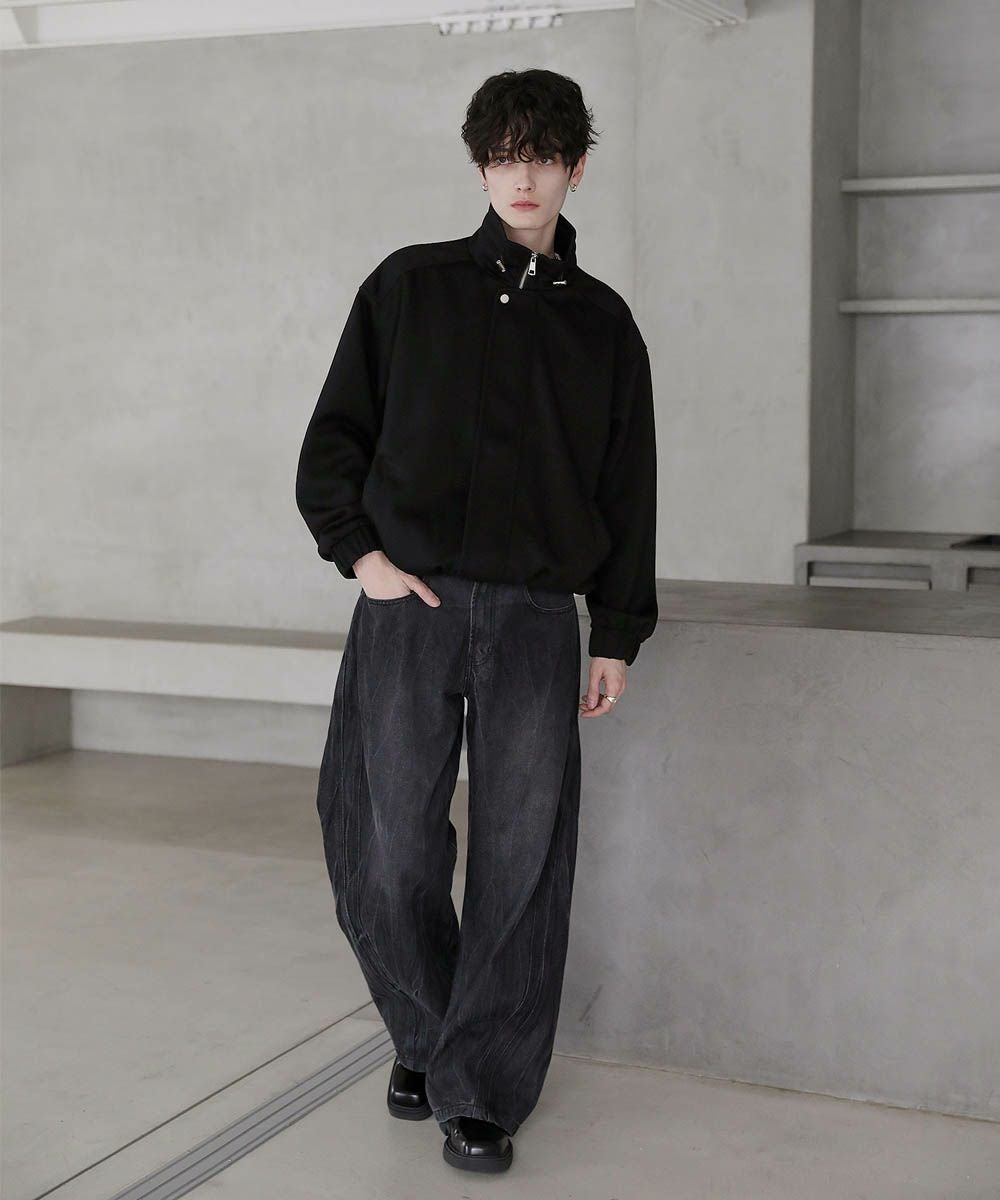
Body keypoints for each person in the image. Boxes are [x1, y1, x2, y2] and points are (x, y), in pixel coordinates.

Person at [295, 67, 657, 1175]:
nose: (522, 177)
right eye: (503, 156)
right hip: (412, 607)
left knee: (519, 858)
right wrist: (363, 557)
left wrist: (616, 631)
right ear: (481, 166)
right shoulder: (407, 287)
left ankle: (481, 1087)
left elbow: (627, 488)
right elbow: (335, 437)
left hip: (539, 619)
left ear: (576, 166)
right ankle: (428, 1032)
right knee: (387, 845)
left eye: (542, 155)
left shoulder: (602, 325)